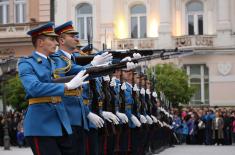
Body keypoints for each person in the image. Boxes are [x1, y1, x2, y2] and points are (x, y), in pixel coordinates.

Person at [18, 22, 88, 155]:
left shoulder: (56, 62)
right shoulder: (26, 63)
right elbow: (34, 88)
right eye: (52, 39)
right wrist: (66, 86)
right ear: (40, 42)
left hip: (62, 122)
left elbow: (83, 70)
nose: (56, 43)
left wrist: (113, 64)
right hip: (41, 124)